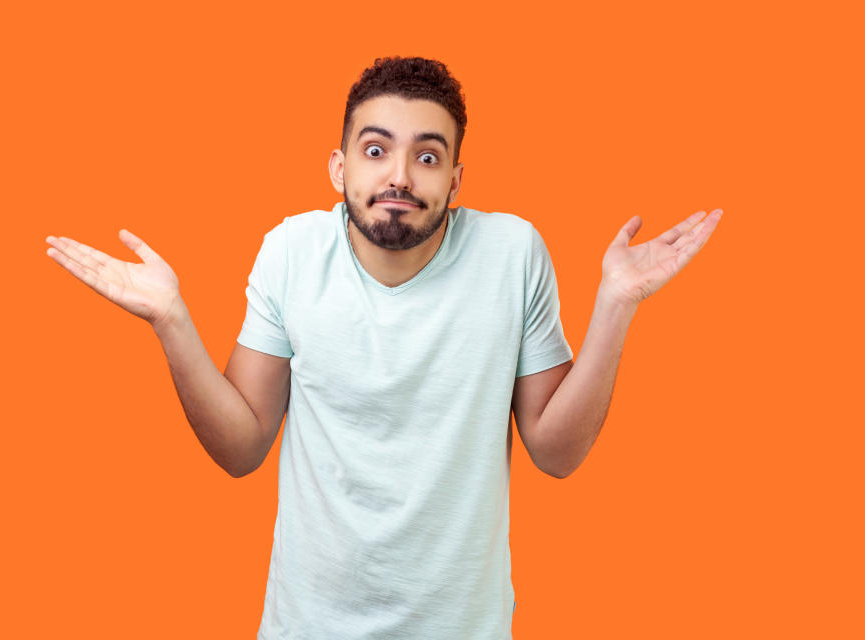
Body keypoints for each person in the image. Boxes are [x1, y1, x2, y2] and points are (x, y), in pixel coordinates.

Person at [45, 56, 722, 639]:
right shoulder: (291, 252)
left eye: (427, 156)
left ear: (455, 180)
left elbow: (556, 451)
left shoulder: (512, 254)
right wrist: (171, 320)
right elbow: (242, 446)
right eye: (376, 150)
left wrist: (614, 306)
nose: (400, 175)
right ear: (339, 167)